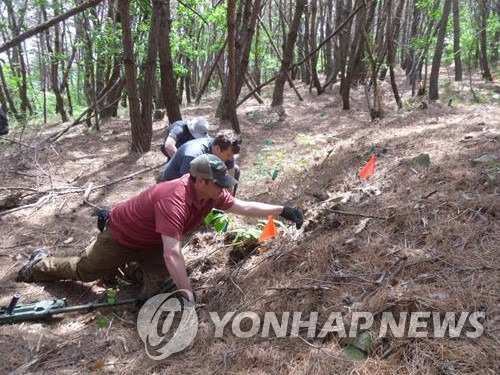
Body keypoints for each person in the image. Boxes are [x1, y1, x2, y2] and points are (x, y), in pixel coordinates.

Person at [16, 154, 303, 299]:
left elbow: (243, 207)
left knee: (156, 290)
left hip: (152, 243)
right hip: (122, 236)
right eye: (219, 183)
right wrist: (189, 295)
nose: (225, 189)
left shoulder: (210, 194)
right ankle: (41, 264)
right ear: (200, 181)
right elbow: (173, 254)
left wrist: (282, 211)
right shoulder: (174, 199)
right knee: (85, 271)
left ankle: (127, 270)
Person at [163, 130, 242, 194]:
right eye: (228, 155)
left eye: (232, 155)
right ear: (217, 148)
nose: (231, 159)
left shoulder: (226, 152)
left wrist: (227, 206)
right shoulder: (193, 155)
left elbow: (229, 186)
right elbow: (188, 187)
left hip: (201, 176)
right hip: (175, 182)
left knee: (236, 169)